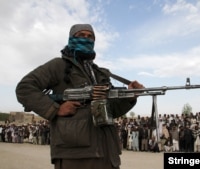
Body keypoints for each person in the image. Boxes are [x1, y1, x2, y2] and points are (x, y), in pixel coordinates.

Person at [15, 24, 144, 169]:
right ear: (71, 38)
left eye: (90, 37)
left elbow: (112, 111)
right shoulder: (58, 66)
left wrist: (130, 96)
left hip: (107, 152)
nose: (86, 39)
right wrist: (56, 109)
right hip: (75, 154)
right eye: (81, 35)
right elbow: (24, 88)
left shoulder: (100, 73)